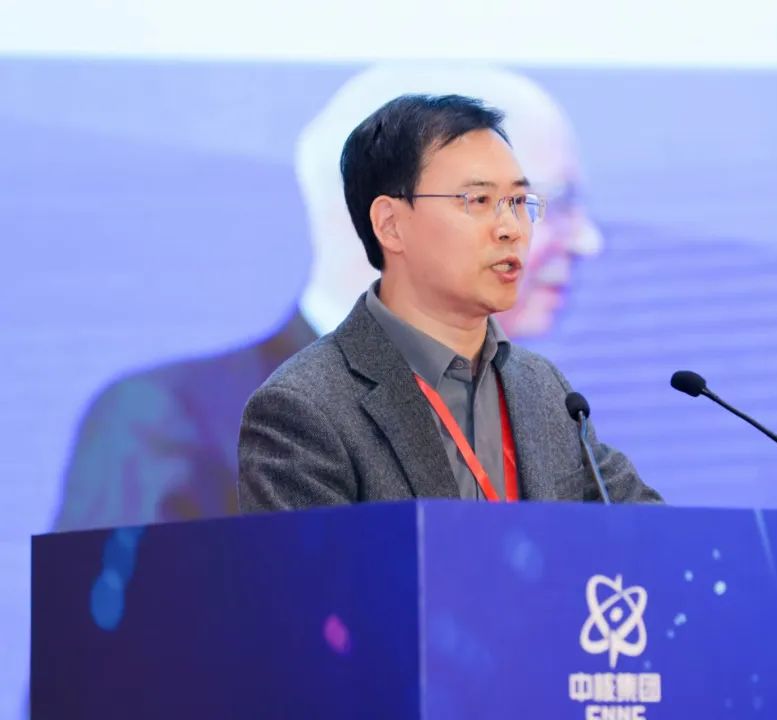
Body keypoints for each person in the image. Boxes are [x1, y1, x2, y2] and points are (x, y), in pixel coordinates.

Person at [51, 64, 603, 531]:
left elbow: (632, 553)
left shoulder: (541, 403)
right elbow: (115, 622)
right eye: (541, 203)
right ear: (390, 223)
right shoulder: (169, 420)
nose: (586, 240)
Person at [238, 94, 661, 507]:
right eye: (478, 201)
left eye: (518, 202)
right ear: (390, 224)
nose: (512, 228)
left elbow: (653, 534)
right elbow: (316, 559)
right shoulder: (304, 408)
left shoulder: (543, 388)